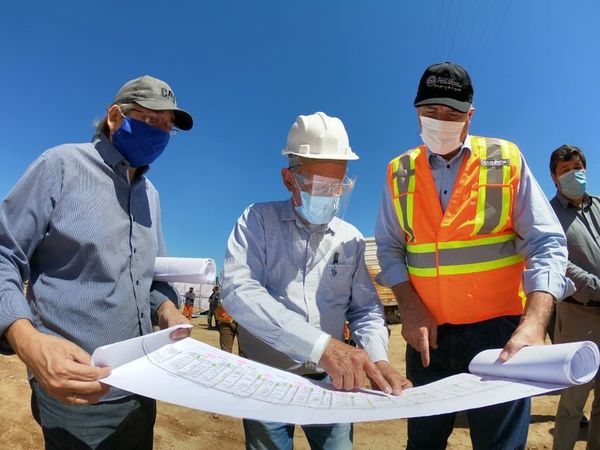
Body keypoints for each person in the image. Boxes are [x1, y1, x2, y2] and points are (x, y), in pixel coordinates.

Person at [375, 62, 574, 450]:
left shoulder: (505, 158)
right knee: (423, 444)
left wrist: (533, 323)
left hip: (499, 340)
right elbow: (390, 246)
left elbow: (546, 243)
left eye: (452, 112)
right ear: (416, 110)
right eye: (431, 110)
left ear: (471, 115)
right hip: (426, 338)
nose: (440, 120)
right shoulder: (398, 171)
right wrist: (410, 308)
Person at [0, 75, 194, 449]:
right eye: (150, 119)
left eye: (167, 127)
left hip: (142, 389)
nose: (159, 133)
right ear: (115, 117)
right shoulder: (60, 166)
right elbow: (5, 254)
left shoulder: (151, 196)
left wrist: (168, 309)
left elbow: (150, 276)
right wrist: (28, 342)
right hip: (77, 393)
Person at [222, 111, 411, 450]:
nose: (329, 195)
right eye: (317, 184)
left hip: (333, 381)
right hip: (267, 379)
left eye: (337, 185)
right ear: (288, 178)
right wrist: (320, 346)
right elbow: (239, 291)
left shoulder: (349, 239)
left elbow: (365, 310)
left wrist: (378, 357)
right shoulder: (257, 221)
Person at [549, 144, 600, 449]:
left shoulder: (599, 205)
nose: (573, 174)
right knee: (572, 401)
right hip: (578, 314)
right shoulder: (548, 213)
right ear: (554, 178)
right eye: (565, 171)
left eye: (577, 168)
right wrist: (595, 285)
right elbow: (557, 260)